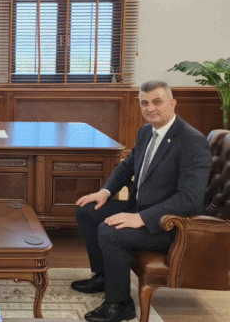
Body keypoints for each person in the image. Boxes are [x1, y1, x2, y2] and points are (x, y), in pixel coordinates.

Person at [71, 80, 212, 322]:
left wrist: (141, 218)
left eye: (157, 102)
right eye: (144, 103)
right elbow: (127, 166)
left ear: (173, 103)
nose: (150, 108)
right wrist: (105, 192)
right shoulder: (147, 131)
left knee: (110, 231)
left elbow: (189, 199)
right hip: (140, 207)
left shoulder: (191, 141)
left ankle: (120, 305)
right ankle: (104, 277)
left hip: (170, 224)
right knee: (87, 209)